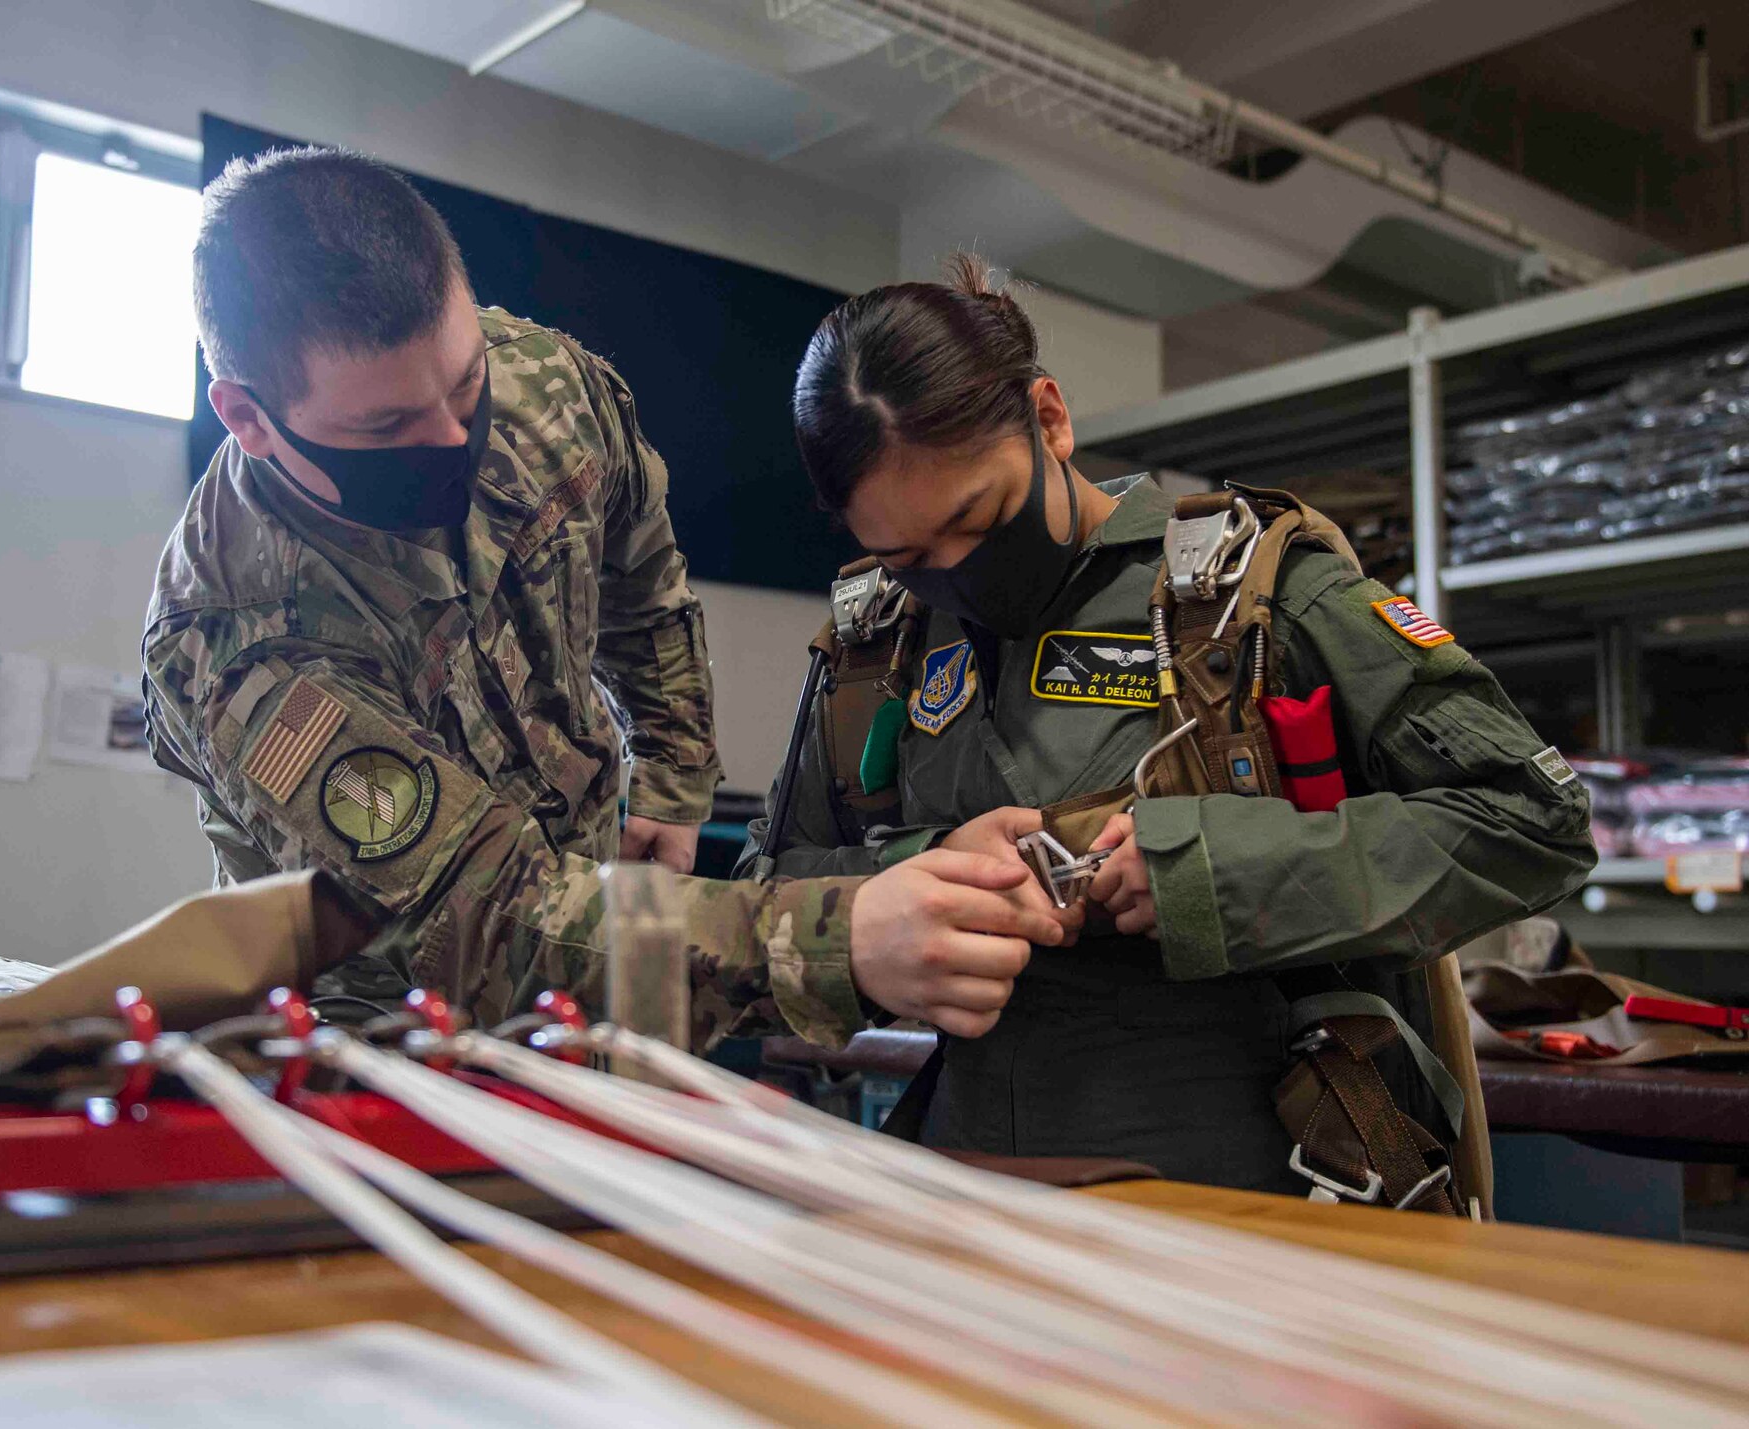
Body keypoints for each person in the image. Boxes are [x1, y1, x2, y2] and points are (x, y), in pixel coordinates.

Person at [142, 148, 1066, 1048]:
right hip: (384, 1045)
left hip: (602, 966)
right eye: (386, 426)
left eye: (467, 386)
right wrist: (847, 939)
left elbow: (642, 577)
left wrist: (671, 773)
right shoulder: (245, 644)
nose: (454, 438)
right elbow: (492, 928)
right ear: (248, 417)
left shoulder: (543, 386)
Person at [741, 255, 1595, 1194]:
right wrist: (914, 875)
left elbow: (1535, 819)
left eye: (980, 520)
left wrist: (1218, 872)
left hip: (1250, 1187)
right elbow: (764, 889)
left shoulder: (1250, 596)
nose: (957, 573)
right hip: (970, 1184)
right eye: (906, 554)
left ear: (1050, 419)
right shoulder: (880, 648)